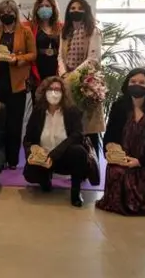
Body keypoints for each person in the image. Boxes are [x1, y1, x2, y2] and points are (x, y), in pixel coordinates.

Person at [97, 68, 145, 215]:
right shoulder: (119, 106)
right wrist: (112, 152)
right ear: (127, 84)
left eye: (141, 82)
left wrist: (140, 161)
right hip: (124, 158)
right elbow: (110, 134)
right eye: (133, 81)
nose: (137, 85)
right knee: (117, 171)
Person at [23, 76, 89, 207]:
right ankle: (45, 180)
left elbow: (77, 135)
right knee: (30, 174)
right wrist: (32, 153)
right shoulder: (38, 111)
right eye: (50, 89)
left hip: (63, 155)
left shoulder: (72, 111)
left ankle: (76, 192)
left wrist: (56, 153)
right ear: (44, 92)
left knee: (79, 151)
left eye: (58, 90)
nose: (54, 92)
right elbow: (28, 138)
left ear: (63, 93)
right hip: (43, 157)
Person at [0, 0, 36, 169]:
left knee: (14, 124)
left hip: (17, 84)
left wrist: (17, 59)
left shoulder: (25, 31)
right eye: (3, 12)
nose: (6, 14)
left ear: (15, 13)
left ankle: (13, 160)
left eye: (9, 12)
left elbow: (33, 54)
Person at [58, 0, 104, 156]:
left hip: (87, 83)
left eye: (79, 8)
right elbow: (60, 56)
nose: (75, 11)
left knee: (89, 128)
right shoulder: (65, 32)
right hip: (66, 81)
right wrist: (64, 74)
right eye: (72, 8)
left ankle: (92, 163)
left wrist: (74, 75)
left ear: (86, 11)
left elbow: (93, 59)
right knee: (71, 126)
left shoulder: (93, 31)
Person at [25, 0, 63, 88]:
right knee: (38, 95)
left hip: (56, 68)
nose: (44, 8)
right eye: (41, 6)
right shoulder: (31, 27)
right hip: (37, 70)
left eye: (47, 6)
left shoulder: (61, 27)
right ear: (37, 9)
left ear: (53, 8)